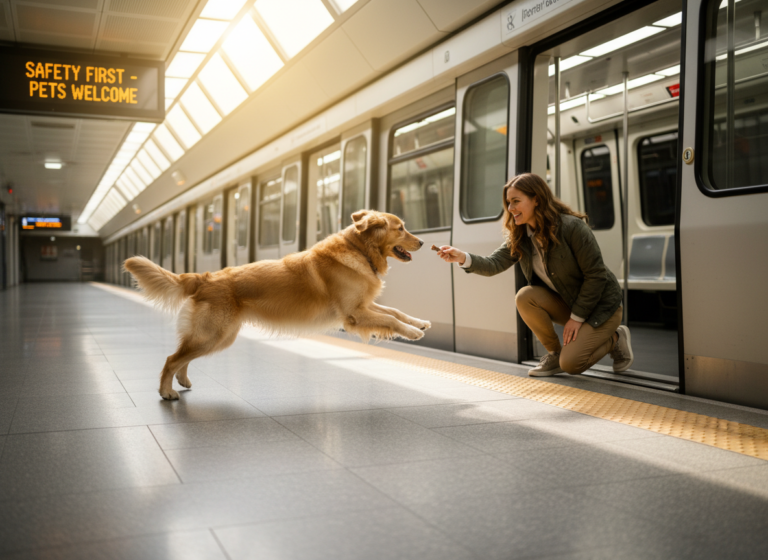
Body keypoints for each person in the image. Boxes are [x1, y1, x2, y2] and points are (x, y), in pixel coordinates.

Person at [437, 173, 633, 377]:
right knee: (525, 296)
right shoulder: (521, 236)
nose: (510, 208)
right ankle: (555, 353)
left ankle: (615, 338)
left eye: (516, 201)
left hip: (602, 307)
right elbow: (493, 264)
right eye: (508, 203)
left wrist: (577, 318)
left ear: (536, 199)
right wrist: (461, 257)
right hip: (571, 303)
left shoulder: (572, 227)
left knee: (572, 364)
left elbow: (597, 276)